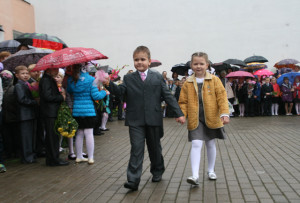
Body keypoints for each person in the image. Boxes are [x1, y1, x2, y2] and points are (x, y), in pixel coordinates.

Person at [104, 46, 185, 191]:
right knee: (136, 149)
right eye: (136, 60)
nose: (139, 62)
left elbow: (167, 96)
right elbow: (120, 92)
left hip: (154, 119)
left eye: (142, 59)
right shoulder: (128, 78)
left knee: (154, 148)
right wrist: (108, 84)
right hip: (135, 120)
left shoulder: (157, 77)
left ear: (149, 61)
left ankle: (157, 170)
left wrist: (179, 113)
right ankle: (133, 180)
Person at [178, 52, 229, 186]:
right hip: (195, 119)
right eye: (195, 64)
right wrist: (182, 114)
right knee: (196, 144)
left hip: (211, 117)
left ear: (207, 65)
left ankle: (211, 170)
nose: (198, 66)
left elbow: (222, 97)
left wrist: (224, 113)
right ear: (191, 65)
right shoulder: (188, 82)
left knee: (210, 143)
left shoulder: (214, 80)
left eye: (201, 64)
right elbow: (183, 101)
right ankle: (195, 175)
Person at [67, 64, 107, 165]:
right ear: (85, 67)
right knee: (89, 134)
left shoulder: (71, 80)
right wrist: (104, 92)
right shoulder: (91, 79)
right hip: (88, 111)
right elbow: (95, 96)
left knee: (79, 134)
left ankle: (79, 156)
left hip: (77, 111)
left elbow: (69, 92)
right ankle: (90, 157)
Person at [39, 68, 69, 166]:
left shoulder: (49, 79)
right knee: (52, 137)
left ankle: (53, 158)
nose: (57, 71)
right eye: (55, 69)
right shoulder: (46, 80)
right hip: (50, 112)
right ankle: (53, 159)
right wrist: (61, 97)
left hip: (51, 112)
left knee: (53, 136)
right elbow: (47, 96)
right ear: (49, 70)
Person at [14, 66, 37, 163]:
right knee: (25, 137)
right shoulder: (18, 86)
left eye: (27, 73)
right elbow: (22, 99)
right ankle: (26, 157)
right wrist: (34, 102)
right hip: (24, 115)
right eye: (22, 73)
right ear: (17, 75)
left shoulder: (27, 84)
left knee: (30, 136)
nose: (25, 75)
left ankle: (30, 155)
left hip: (30, 114)